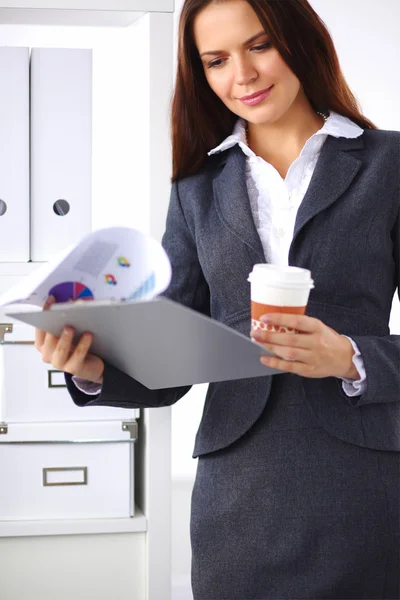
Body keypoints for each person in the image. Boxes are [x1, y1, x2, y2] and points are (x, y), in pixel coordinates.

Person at [35, 0, 400, 598]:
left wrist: (352, 358)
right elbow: (170, 358)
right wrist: (93, 367)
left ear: (300, 41)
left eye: (259, 46)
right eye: (216, 60)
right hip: (238, 502)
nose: (243, 75)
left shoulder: (388, 164)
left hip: (362, 490)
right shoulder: (196, 189)